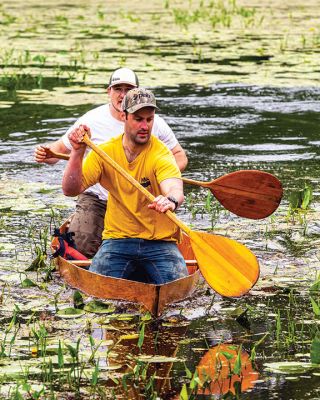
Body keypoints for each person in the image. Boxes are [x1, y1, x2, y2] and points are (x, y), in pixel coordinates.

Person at [34, 67, 188, 257]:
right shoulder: (91, 119)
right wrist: (46, 154)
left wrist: (158, 175)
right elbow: (57, 153)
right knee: (81, 247)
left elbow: (179, 157)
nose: (122, 95)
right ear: (109, 92)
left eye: (128, 89)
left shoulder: (154, 124)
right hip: (98, 197)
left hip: (140, 197)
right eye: (118, 89)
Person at [62, 88, 188, 284]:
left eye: (149, 119)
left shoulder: (161, 154)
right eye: (138, 119)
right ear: (123, 116)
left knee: (178, 292)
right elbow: (70, 190)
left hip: (160, 243)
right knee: (96, 293)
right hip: (117, 241)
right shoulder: (104, 152)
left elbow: (174, 187)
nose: (145, 126)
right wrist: (77, 152)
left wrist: (170, 200)